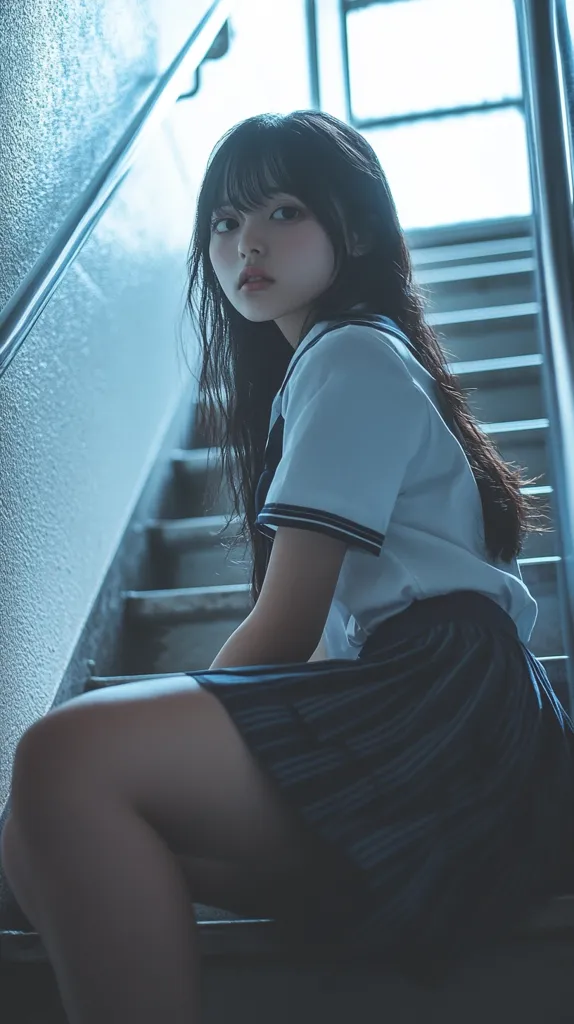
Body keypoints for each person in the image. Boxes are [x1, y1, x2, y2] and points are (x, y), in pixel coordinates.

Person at [2, 109, 573, 1020]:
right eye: (225, 223)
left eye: (281, 212)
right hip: (425, 711)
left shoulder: (351, 353)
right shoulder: (332, 366)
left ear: (350, 229)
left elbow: (286, 624)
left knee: (62, 757)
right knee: (44, 837)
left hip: (439, 709)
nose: (246, 244)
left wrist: (184, 720)